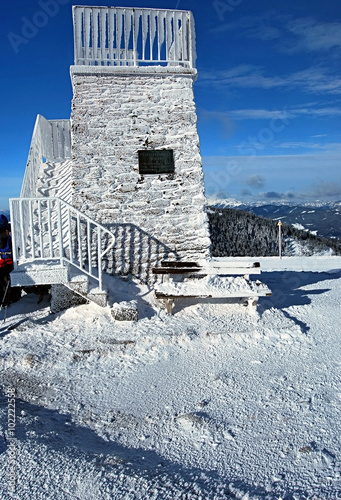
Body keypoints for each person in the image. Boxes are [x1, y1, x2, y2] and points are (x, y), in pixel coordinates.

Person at [0, 214, 20, 306]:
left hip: (6, 263)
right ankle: (12, 299)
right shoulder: (11, 237)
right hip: (9, 263)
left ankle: (7, 300)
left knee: (5, 280)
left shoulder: (10, 239)